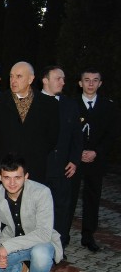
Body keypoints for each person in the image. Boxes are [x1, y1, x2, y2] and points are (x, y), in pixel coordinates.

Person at [69, 69, 119, 252]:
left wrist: (96, 152)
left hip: (96, 161)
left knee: (93, 198)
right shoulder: (70, 105)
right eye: (87, 80)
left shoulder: (108, 107)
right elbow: (66, 133)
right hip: (74, 160)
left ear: (100, 83)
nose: (91, 84)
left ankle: (88, 236)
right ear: (80, 83)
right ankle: (63, 237)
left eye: (95, 80)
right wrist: (77, 152)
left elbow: (111, 134)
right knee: (69, 198)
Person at [0, 61, 59, 184]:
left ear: (30, 79)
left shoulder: (49, 105)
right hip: (5, 170)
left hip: (35, 169)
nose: (13, 80)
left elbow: (52, 137)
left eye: (19, 76)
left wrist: (36, 153)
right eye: (11, 76)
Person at [40, 66, 82, 253]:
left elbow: (77, 136)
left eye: (63, 79)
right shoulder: (33, 103)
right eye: (58, 78)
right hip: (40, 168)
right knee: (38, 210)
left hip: (63, 168)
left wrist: (74, 160)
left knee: (61, 209)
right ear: (45, 80)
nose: (63, 82)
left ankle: (58, 247)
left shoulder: (70, 105)